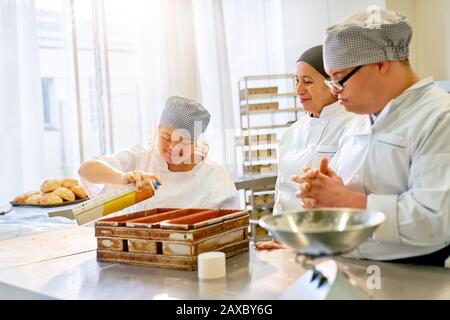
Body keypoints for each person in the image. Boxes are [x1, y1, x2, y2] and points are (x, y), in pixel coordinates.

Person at [293, 8, 450, 266]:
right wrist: (325, 190)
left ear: (380, 64)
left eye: (340, 79)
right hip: (353, 264)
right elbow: (353, 191)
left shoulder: (439, 117)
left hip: (415, 276)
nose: (334, 91)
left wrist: (346, 200)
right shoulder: (360, 121)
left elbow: (432, 221)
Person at [256, 45, 364, 250]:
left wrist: (307, 245)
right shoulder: (291, 132)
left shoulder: (354, 125)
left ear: (333, 84)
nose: (299, 90)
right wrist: (279, 235)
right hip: (286, 242)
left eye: (307, 82)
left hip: (331, 244)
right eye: (296, 81)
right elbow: (282, 189)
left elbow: (348, 196)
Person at [79, 96, 238, 211]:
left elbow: (233, 225)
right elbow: (86, 169)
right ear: (157, 131)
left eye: (182, 140)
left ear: (195, 142)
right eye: (166, 137)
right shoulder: (141, 157)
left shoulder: (214, 174)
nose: (172, 147)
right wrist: (121, 177)